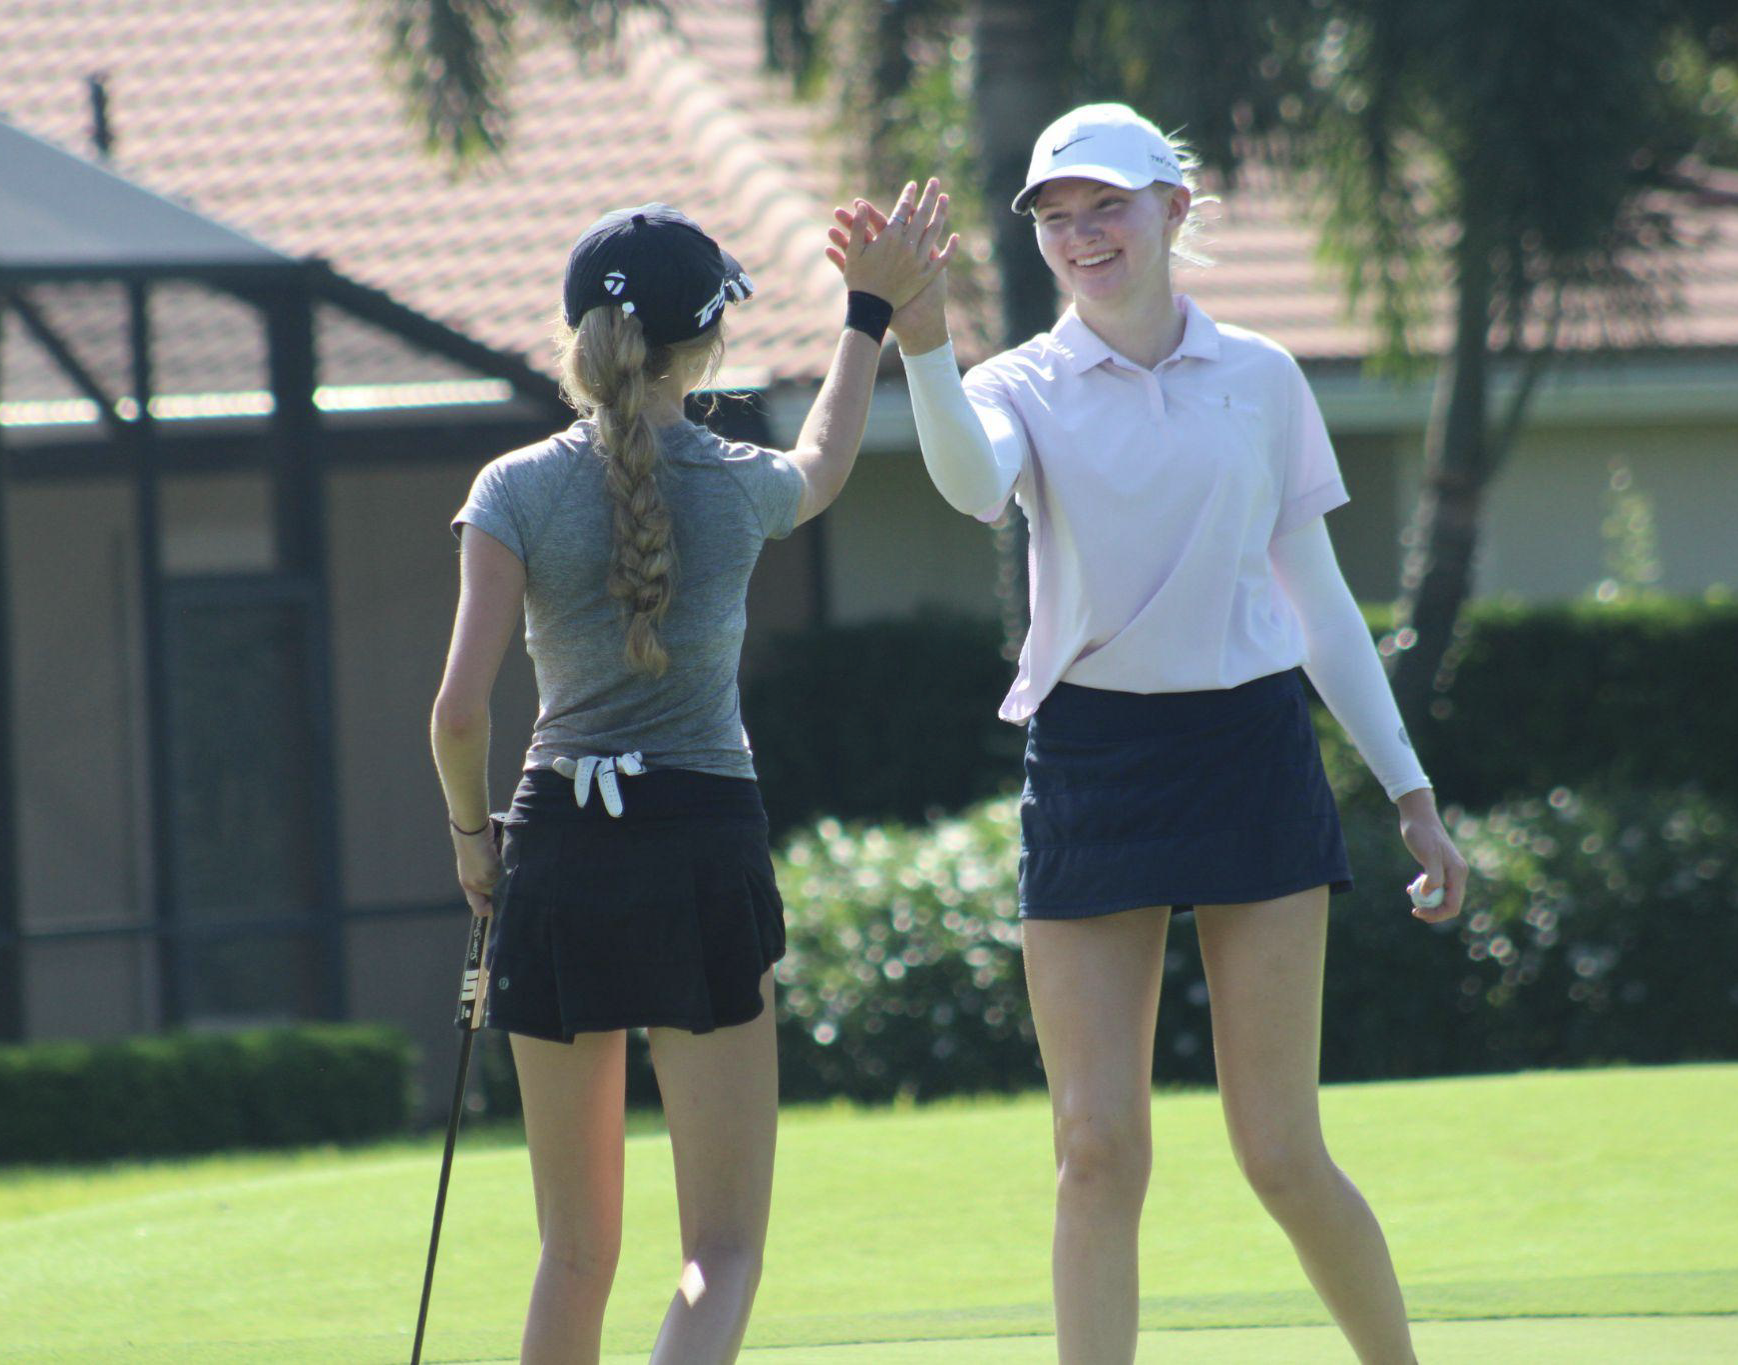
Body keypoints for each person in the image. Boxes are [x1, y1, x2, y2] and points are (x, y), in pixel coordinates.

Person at [840, 105, 1469, 1363]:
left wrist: (1408, 786)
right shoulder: (1017, 381)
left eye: (1108, 209)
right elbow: (973, 486)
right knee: (1094, 1151)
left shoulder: (1263, 378)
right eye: (1058, 220)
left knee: (1283, 1152)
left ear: (1173, 210)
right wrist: (924, 344)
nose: (1084, 237)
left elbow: (1323, 601)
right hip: (1091, 759)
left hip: (1251, 752)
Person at [431, 189, 952, 1364]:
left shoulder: (512, 489)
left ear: (578, 339)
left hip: (558, 845)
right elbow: (822, 461)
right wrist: (866, 308)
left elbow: (459, 714)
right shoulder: (734, 480)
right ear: (706, 345)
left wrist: (477, 847)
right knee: (720, 1248)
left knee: (573, 1254)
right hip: (701, 847)